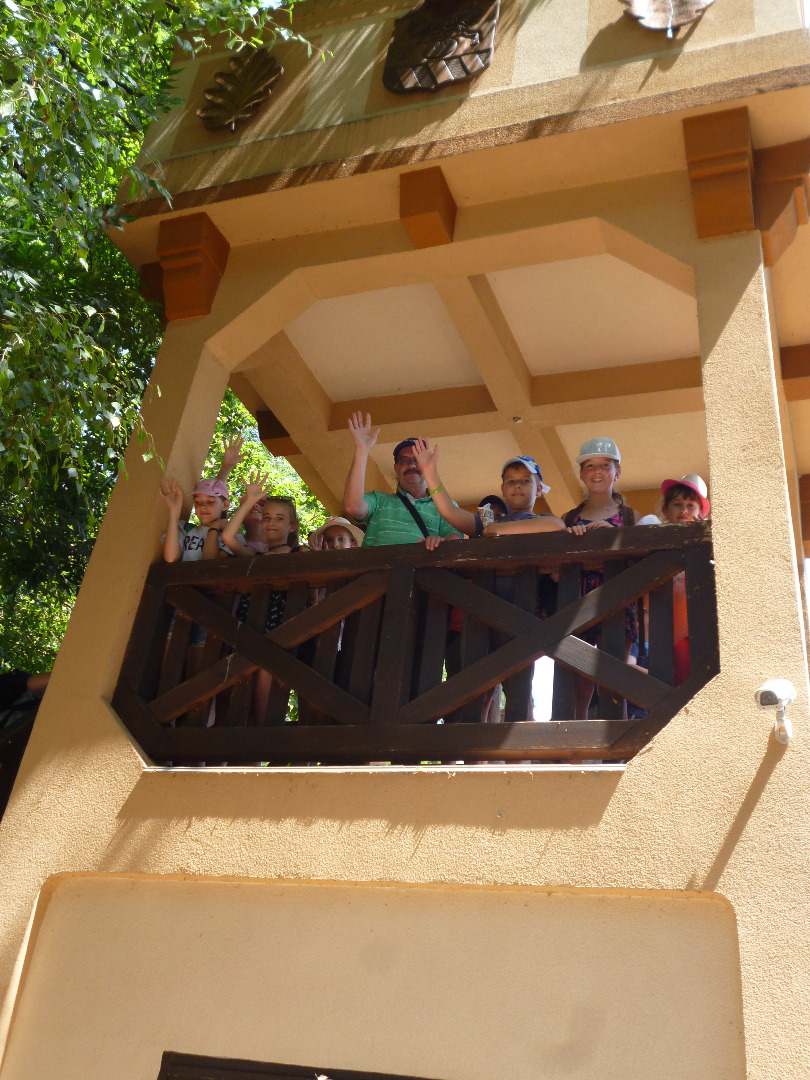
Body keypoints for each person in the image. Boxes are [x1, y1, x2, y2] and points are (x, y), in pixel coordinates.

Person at [562, 437, 642, 719]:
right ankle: (576, 742)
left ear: (617, 473)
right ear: (581, 474)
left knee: (613, 680)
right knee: (579, 684)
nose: (597, 471)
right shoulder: (568, 518)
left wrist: (615, 536)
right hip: (577, 604)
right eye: (590, 465)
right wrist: (571, 539)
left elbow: (641, 560)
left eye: (605, 465)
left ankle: (616, 742)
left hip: (617, 603)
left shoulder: (630, 517)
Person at [221, 472, 302, 724]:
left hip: (279, 631)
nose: (271, 523)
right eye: (267, 517)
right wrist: (249, 501)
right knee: (238, 698)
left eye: (279, 518)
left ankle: (257, 748)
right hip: (248, 626)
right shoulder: (256, 556)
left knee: (263, 702)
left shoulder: (300, 554)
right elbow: (227, 537)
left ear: (292, 526)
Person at [343, 413, 463, 548]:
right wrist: (362, 450)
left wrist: (440, 542)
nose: (411, 465)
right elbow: (352, 507)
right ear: (396, 468)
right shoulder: (378, 500)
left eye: (418, 460)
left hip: (424, 562)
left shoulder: (446, 505)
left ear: (429, 465)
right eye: (404, 461)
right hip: (377, 562)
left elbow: (455, 540)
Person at [412, 441, 565, 536]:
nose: (517, 485)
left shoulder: (542, 519)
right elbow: (449, 511)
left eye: (525, 481)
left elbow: (557, 524)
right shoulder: (488, 523)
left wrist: (500, 529)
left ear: (539, 489)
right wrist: (430, 472)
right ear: (503, 489)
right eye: (511, 481)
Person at [660, 473, 710, 686]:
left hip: (700, 631)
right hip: (666, 633)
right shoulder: (657, 541)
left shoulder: (709, 543)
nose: (684, 510)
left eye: (691, 505)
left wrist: (704, 538)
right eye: (677, 504)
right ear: (665, 511)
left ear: (701, 513)